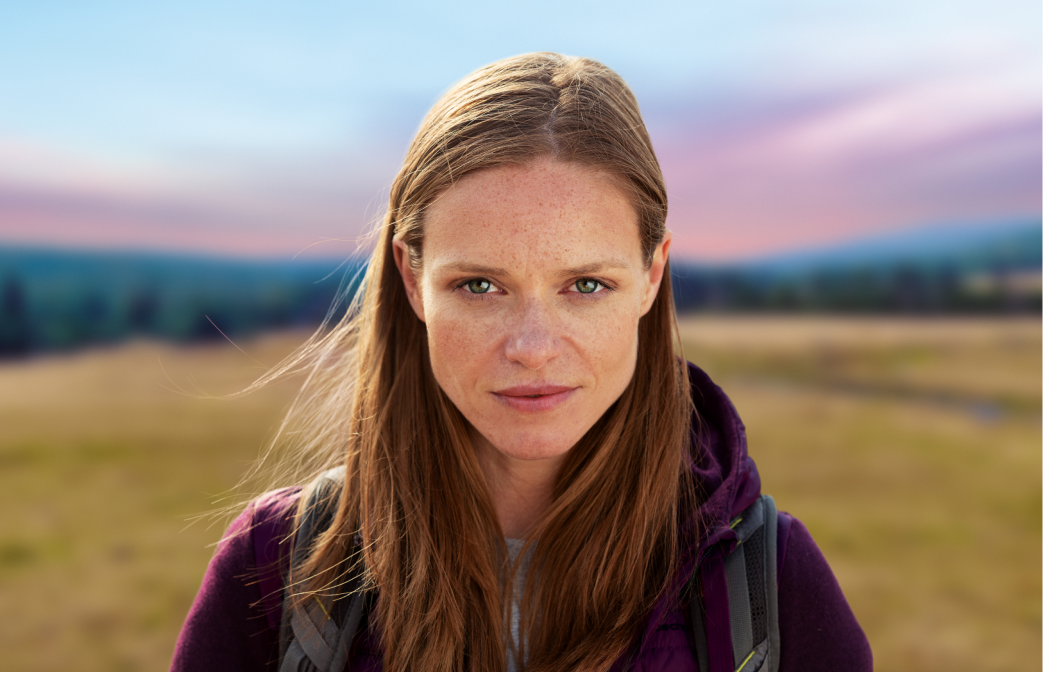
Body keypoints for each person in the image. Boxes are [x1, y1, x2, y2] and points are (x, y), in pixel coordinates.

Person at [171, 53, 872, 672]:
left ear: (652, 275)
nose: (532, 345)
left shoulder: (770, 587)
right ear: (412, 280)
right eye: (479, 285)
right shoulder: (275, 572)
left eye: (585, 285)